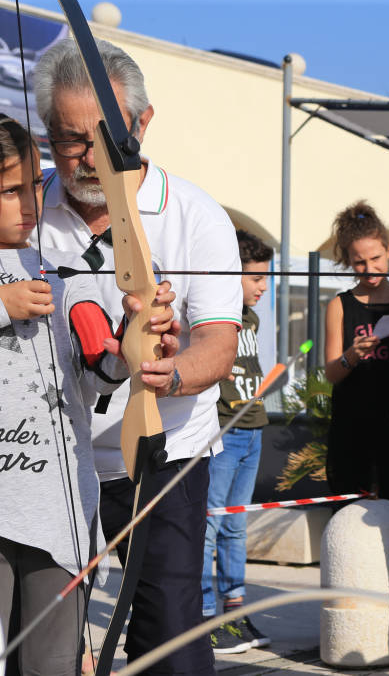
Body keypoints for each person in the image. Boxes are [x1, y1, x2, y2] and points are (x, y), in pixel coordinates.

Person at [33, 39, 241, 675]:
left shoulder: (196, 215)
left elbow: (218, 344)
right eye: (70, 141)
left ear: (142, 124)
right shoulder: (22, 209)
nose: (89, 158)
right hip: (47, 464)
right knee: (47, 636)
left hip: (160, 455)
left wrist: (168, 369)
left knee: (170, 635)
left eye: (106, 137)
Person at [0, 115, 176, 675]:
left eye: (33, 185)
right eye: (9, 190)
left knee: (51, 662)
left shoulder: (60, 276)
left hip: (60, 513)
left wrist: (130, 340)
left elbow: (94, 378)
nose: (29, 202)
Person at [324, 201, 389, 506]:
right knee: (349, 516)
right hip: (354, 429)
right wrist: (352, 355)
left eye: (376, 258)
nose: (369, 270)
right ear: (348, 262)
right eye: (359, 263)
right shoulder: (340, 305)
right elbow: (331, 372)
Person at [203, 229, 273, 654]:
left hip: (253, 427)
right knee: (209, 527)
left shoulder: (253, 317)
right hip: (224, 432)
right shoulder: (216, 315)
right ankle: (205, 614)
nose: (263, 287)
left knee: (234, 526)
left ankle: (234, 612)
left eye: (266, 278)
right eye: (256, 278)